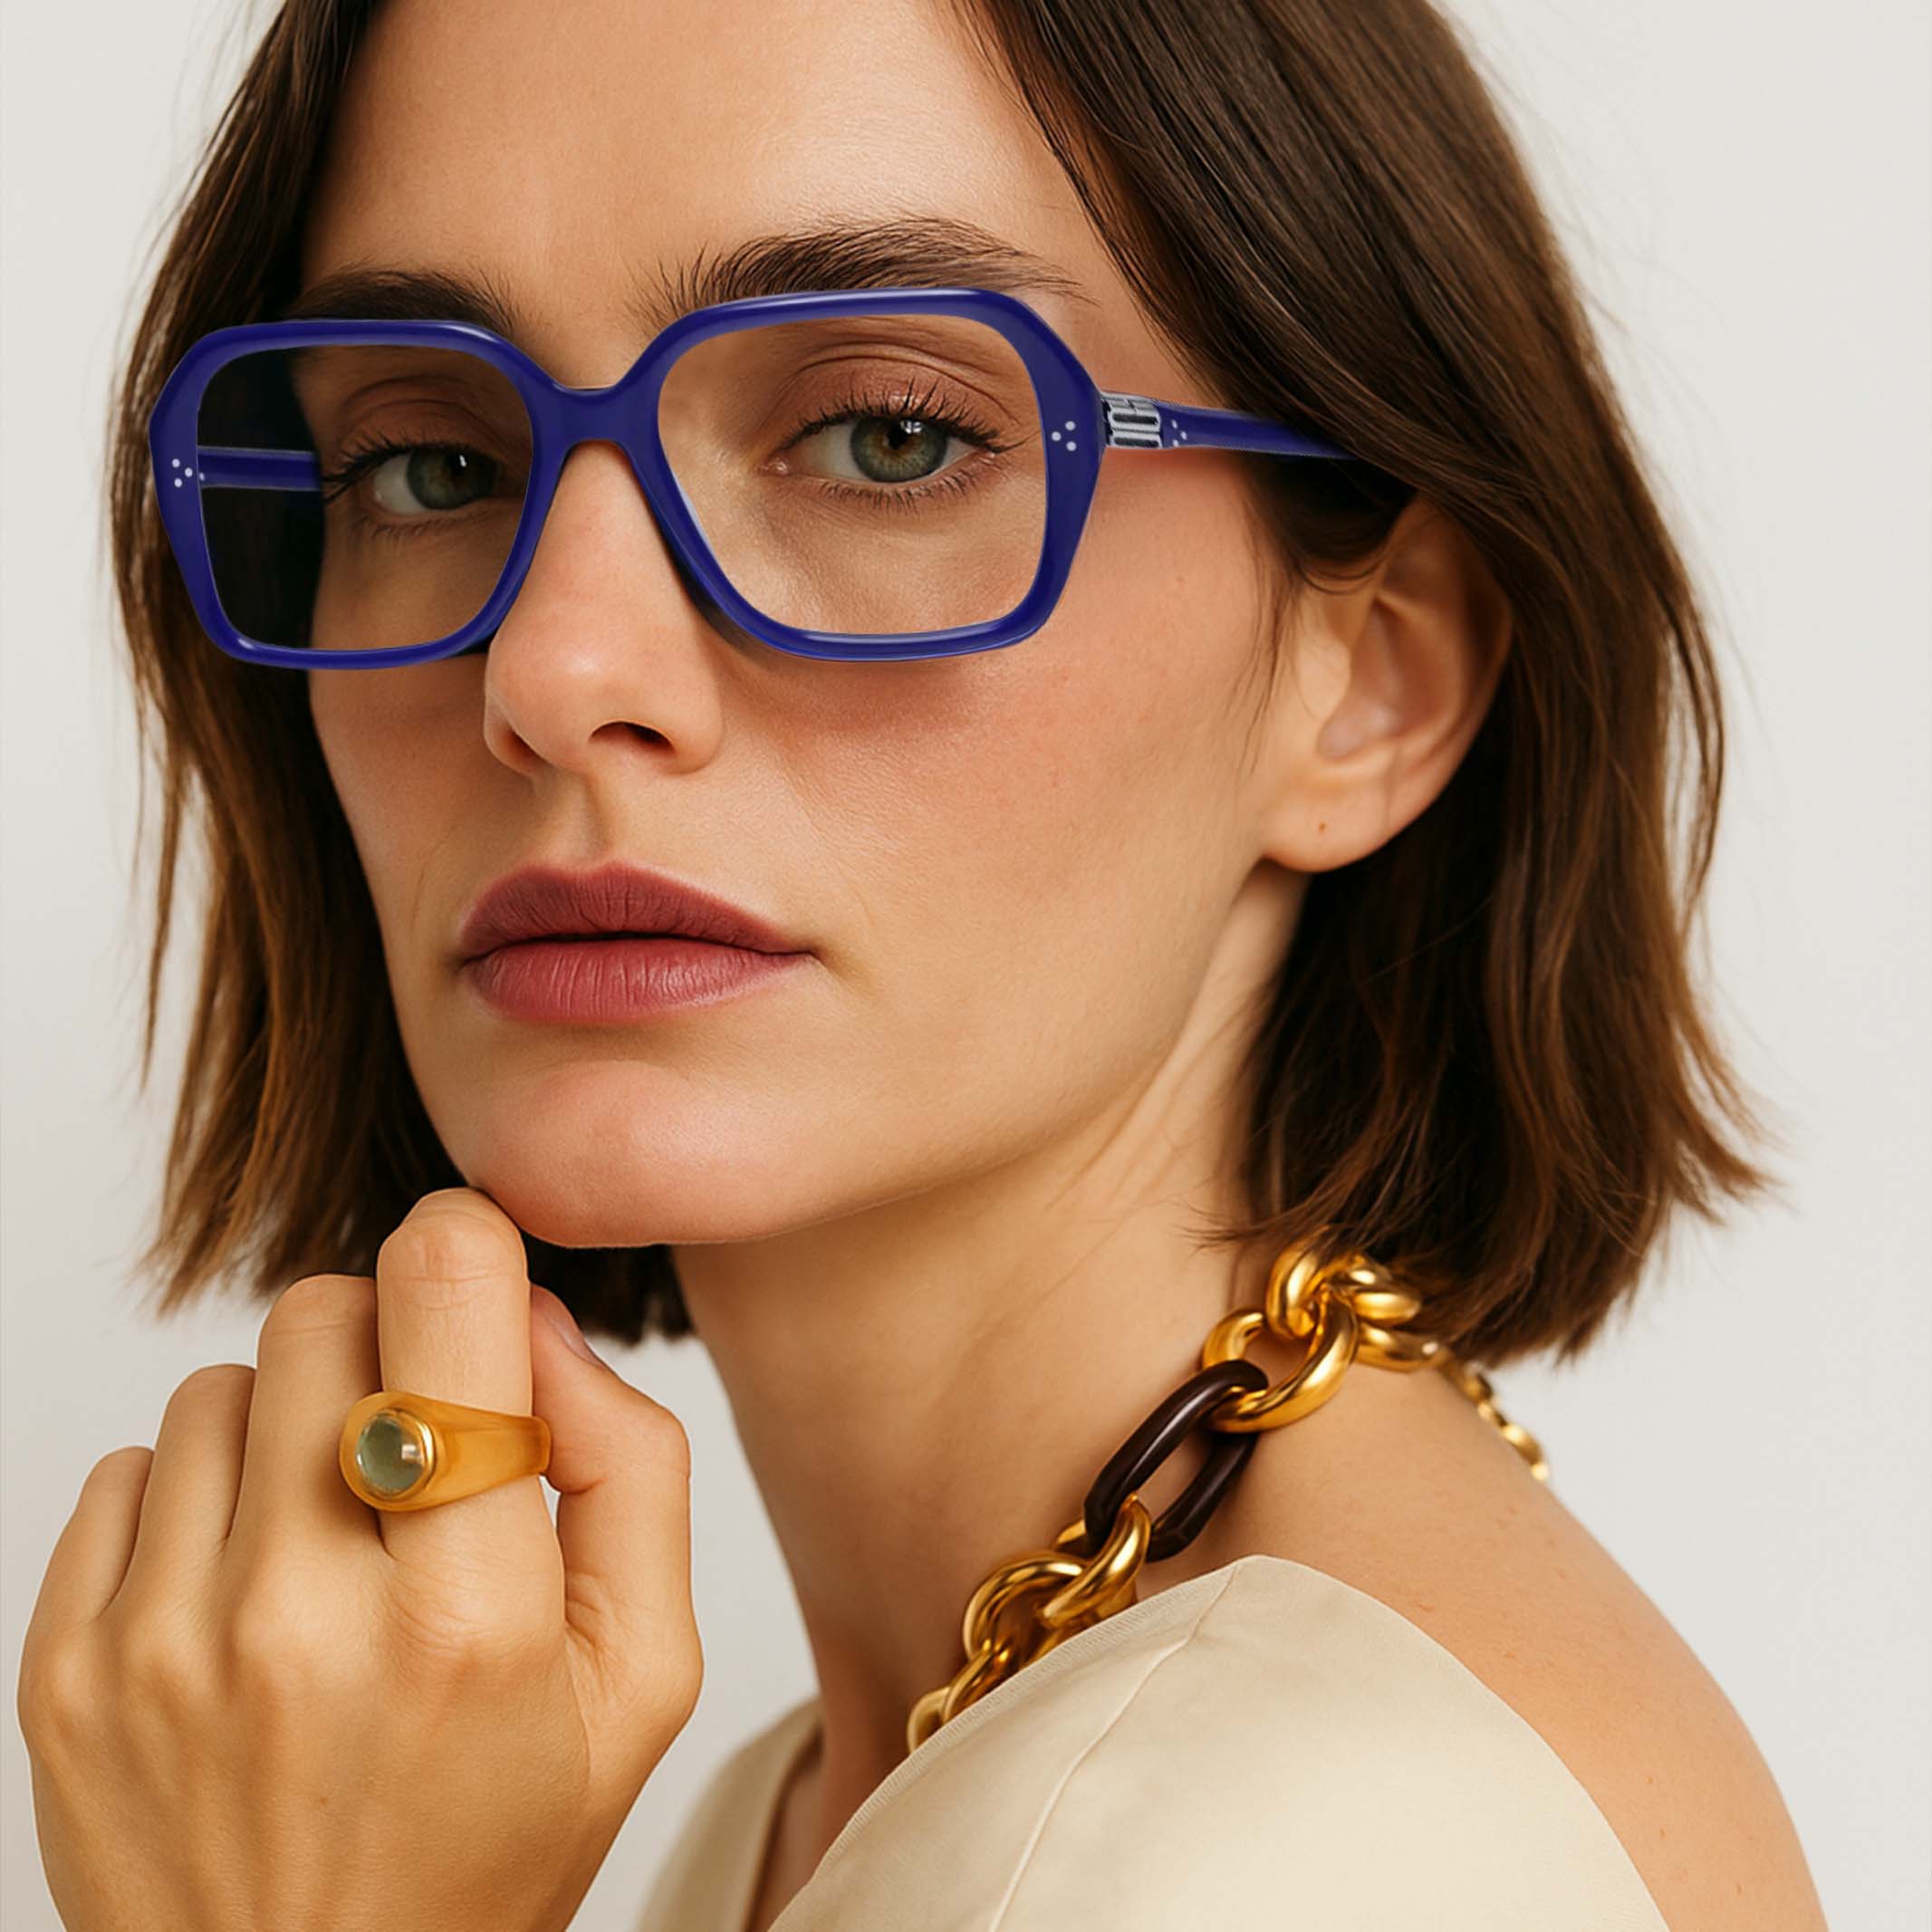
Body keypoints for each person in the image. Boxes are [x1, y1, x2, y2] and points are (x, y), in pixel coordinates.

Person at [15, 0, 1831, 1927]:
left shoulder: (1281, 1849)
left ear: (1371, 677)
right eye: (429, 468)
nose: (551, 667)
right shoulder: (830, 1803)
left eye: (884, 439)